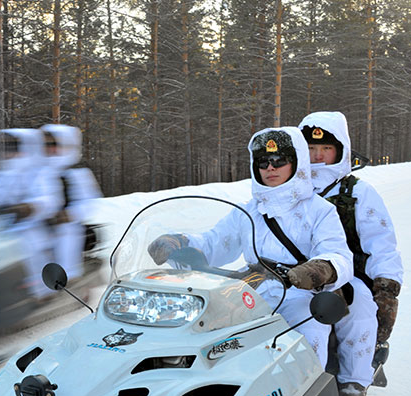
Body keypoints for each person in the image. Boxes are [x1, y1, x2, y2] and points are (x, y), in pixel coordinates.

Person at [148, 127, 353, 369]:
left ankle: (308, 390)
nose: (270, 168)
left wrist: (320, 269)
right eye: (263, 161)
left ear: (297, 162)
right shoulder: (249, 211)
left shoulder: (319, 210)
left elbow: (338, 253)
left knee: (308, 330)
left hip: (299, 291)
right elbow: (215, 242)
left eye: (279, 160)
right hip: (251, 286)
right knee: (205, 328)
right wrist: (181, 242)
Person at [299, 111, 403, 396]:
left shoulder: (357, 193)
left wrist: (386, 287)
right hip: (290, 274)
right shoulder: (288, 188)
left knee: (357, 306)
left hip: (345, 275)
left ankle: (354, 377)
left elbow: (381, 243)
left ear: (340, 150)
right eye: (310, 150)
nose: (318, 157)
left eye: (326, 149)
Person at [0, 128, 58, 299]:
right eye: (6, 148)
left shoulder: (39, 173)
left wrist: (29, 207)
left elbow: (49, 199)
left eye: (13, 147)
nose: (8, 152)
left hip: (29, 227)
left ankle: (42, 292)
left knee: (27, 246)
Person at [39, 124, 102, 280]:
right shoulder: (39, 171)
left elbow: (90, 202)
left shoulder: (77, 173)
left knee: (66, 234)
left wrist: (69, 214)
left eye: (54, 144)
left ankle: (69, 277)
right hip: (41, 221)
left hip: (66, 223)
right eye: (46, 144)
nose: (50, 149)